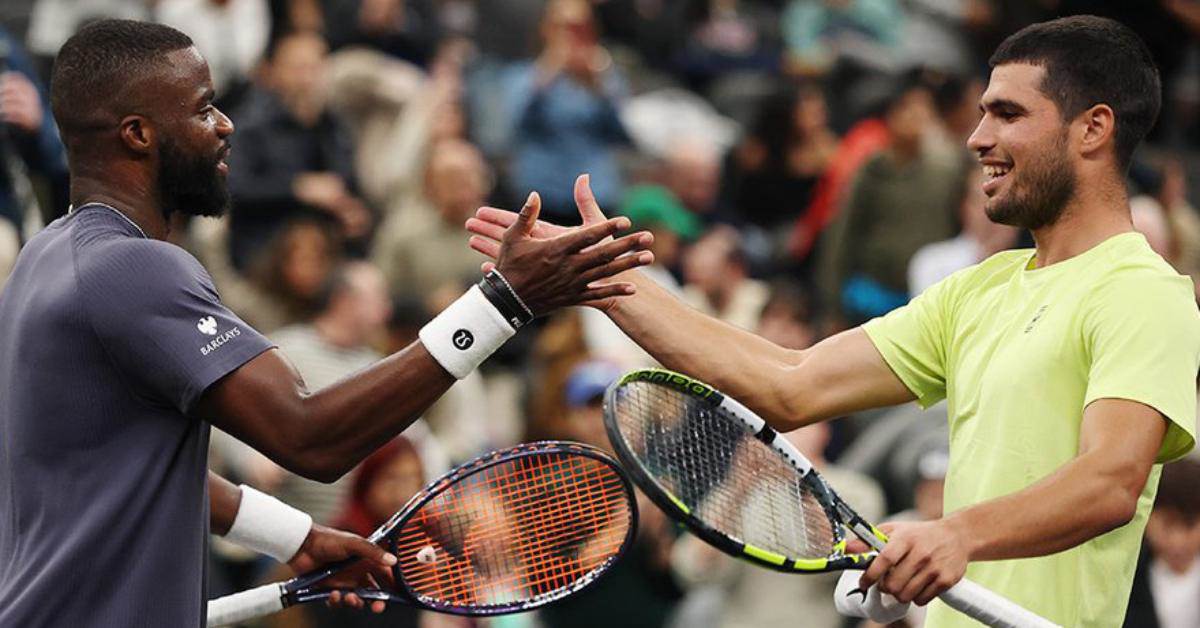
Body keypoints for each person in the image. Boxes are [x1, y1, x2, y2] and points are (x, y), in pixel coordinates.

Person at [467, 16, 1200, 627]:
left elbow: (1110, 482)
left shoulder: (1143, 292)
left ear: (1093, 128)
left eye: (1007, 113)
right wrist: (604, 281)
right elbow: (791, 384)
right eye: (981, 112)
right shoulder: (979, 291)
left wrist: (955, 534)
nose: (977, 137)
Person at [0, 19, 654, 627]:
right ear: (138, 134)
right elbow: (311, 438)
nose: (225, 125)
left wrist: (297, 538)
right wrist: (504, 302)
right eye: (202, 109)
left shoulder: (45, 258)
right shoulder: (134, 269)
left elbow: (140, 465)